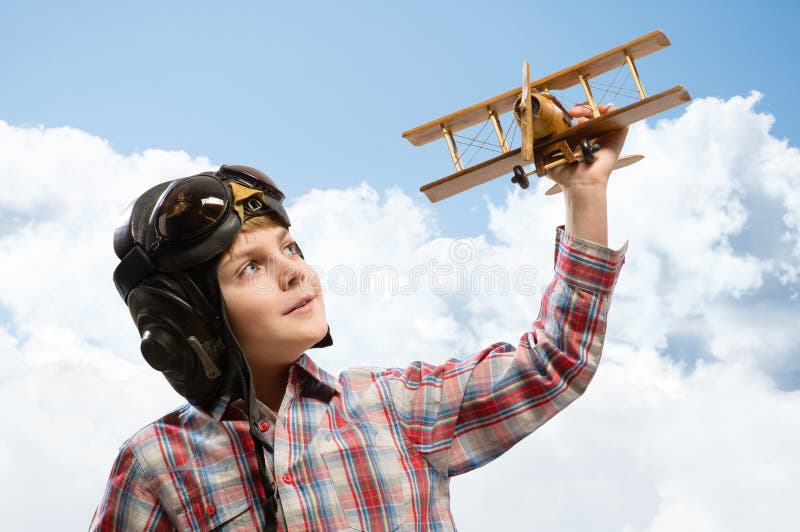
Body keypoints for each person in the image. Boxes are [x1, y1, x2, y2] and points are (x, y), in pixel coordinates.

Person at [91, 104, 628, 531]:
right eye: (251, 267)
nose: (296, 273)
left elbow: (556, 362)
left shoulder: (399, 408)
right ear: (190, 322)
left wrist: (585, 193)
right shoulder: (156, 465)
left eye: (291, 248)